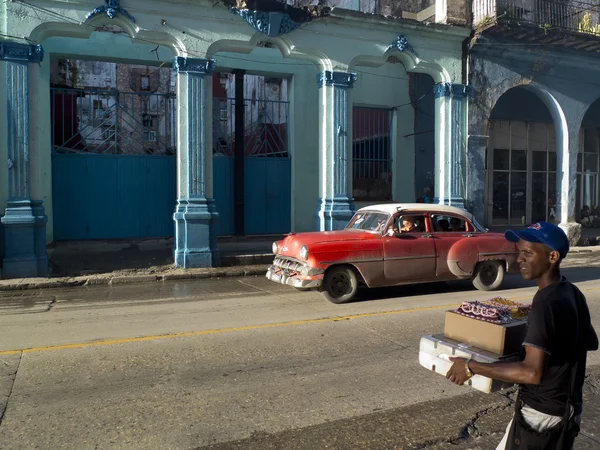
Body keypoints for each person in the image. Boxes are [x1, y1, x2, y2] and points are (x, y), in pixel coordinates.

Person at [445, 222, 598, 449]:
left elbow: (532, 372)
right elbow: (591, 341)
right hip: (567, 411)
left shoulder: (545, 303)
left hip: (541, 420)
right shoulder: (571, 291)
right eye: (519, 252)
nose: (520, 259)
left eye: (528, 253)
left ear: (553, 256)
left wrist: (470, 367)